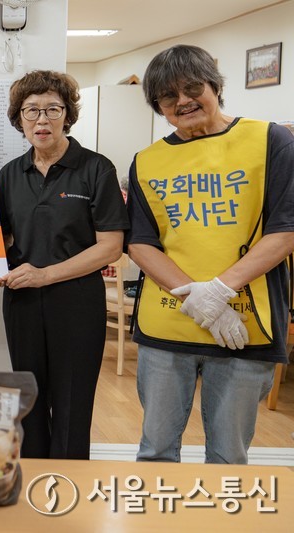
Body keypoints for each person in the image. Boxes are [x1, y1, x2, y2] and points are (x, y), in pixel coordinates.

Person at [127, 44, 294, 464]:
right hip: (167, 324)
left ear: (215, 86)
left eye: (192, 88)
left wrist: (219, 291)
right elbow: (141, 242)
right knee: (156, 451)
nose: (182, 101)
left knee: (228, 455)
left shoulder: (270, 140)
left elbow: (286, 229)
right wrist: (196, 297)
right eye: (168, 96)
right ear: (158, 107)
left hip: (245, 324)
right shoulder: (147, 161)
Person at [0, 70, 127, 460]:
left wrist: (45, 274)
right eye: (31, 111)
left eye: (52, 109)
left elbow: (111, 246)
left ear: (67, 114)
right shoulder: (11, 174)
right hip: (22, 303)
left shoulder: (96, 169)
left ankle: (67, 489)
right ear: (19, 120)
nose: (42, 120)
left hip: (77, 302)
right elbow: (1, 237)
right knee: (28, 399)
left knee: (72, 402)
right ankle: (32, 481)